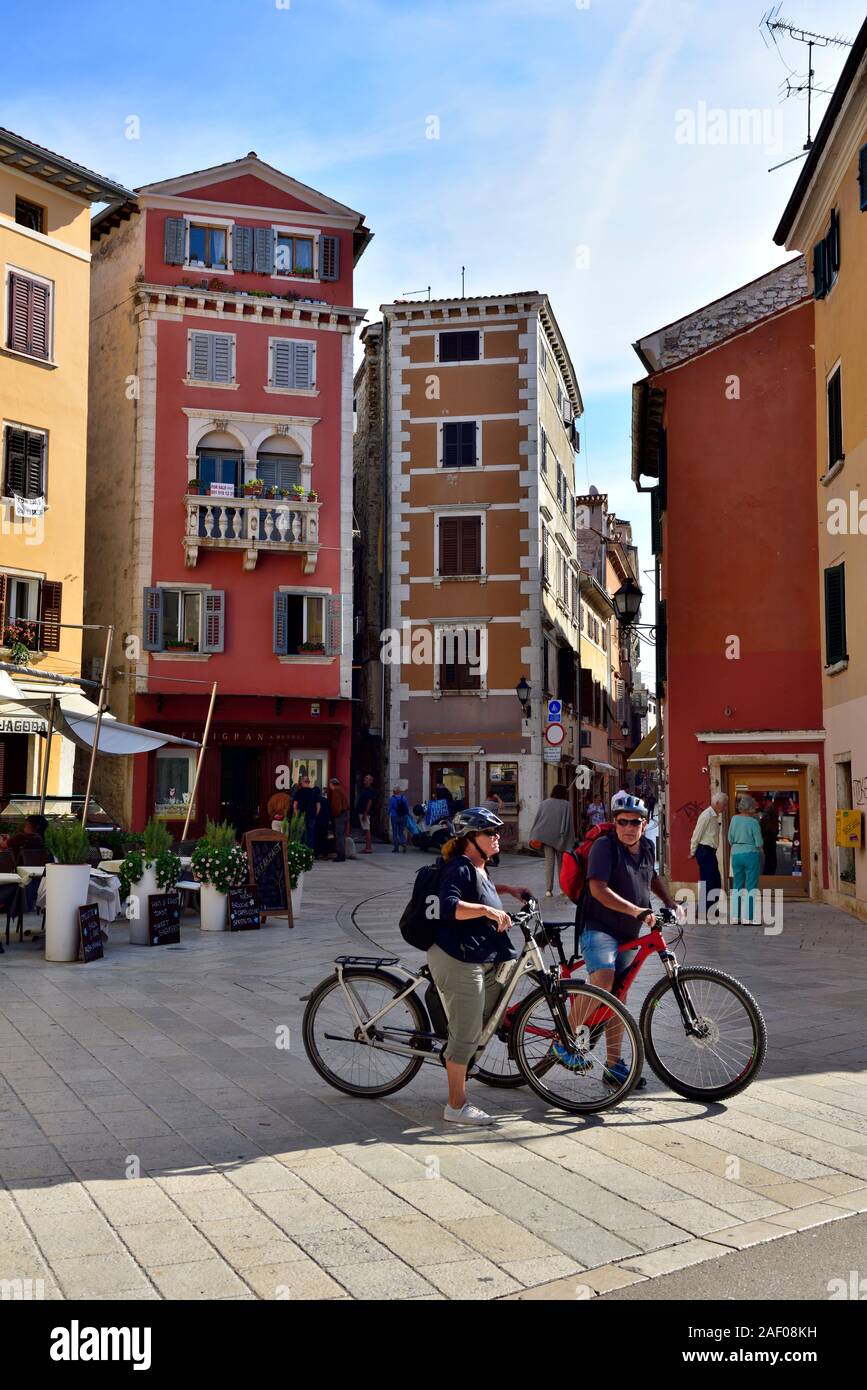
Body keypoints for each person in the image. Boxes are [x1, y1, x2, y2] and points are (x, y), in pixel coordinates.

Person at [562, 794, 681, 1083]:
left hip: (630, 931)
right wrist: (638, 911)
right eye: (622, 822)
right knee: (603, 981)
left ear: (645, 824)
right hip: (600, 926)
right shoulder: (605, 846)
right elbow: (598, 889)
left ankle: (613, 1066)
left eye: (635, 822)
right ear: (614, 823)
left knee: (619, 996)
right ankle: (563, 1042)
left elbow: (650, 876)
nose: (628, 827)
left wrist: (669, 901)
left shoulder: (648, 847)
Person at [428, 808, 532, 1126]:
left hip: (478, 953)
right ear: (470, 839)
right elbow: (449, 907)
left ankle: (460, 1061)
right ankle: (456, 1106)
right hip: (458, 958)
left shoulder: (478, 866)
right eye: (490, 833)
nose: (496, 836)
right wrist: (488, 911)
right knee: (467, 1032)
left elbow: (482, 888)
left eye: (496, 832)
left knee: (484, 1017)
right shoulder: (459, 866)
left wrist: (509, 892)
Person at [528, 785, 575, 898]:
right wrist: (571, 840)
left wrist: (535, 834)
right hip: (561, 838)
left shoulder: (544, 803)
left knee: (549, 864)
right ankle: (562, 888)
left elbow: (539, 820)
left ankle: (548, 890)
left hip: (546, 838)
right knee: (561, 864)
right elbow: (569, 823)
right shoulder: (567, 805)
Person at [689, 793, 728, 917]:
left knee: (715, 881)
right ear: (717, 804)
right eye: (724, 805)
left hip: (710, 851)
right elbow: (697, 833)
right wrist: (692, 851)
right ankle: (702, 911)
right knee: (709, 881)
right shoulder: (707, 815)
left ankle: (710, 908)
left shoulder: (714, 816)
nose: (725, 808)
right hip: (705, 851)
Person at [728, 795, 763, 924]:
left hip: (736, 853)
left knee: (737, 885)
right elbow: (759, 842)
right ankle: (748, 917)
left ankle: (735, 917)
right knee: (751, 886)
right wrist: (760, 848)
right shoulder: (753, 822)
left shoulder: (734, 819)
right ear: (751, 807)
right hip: (750, 854)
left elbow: (730, 838)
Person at [292, 774, 320, 851]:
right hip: (311, 816)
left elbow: (295, 805)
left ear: (302, 782)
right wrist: (315, 814)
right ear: (309, 782)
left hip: (301, 816)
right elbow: (318, 806)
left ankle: (301, 851)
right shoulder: (314, 792)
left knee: (301, 834)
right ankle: (310, 851)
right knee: (311, 834)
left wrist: (296, 815)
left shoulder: (299, 792)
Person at [327, 777, 350, 862]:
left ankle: (340, 856)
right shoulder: (342, 790)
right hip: (345, 814)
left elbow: (337, 806)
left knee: (339, 836)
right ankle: (342, 855)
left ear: (331, 784)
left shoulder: (336, 791)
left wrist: (334, 815)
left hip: (340, 815)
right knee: (342, 835)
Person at [760, 796, 781, 876]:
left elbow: (764, 821)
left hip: (768, 834)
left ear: (767, 800)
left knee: (769, 855)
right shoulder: (774, 807)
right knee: (772, 854)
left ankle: (767, 873)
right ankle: (771, 872)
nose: (762, 803)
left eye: (763, 801)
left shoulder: (768, 808)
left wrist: (761, 829)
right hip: (772, 833)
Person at [355, 774, 375, 854]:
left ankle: (368, 848)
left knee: (367, 830)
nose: (365, 779)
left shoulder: (370, 790)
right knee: (365, 830)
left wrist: (365, 813)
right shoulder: (364, 789)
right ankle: (367, 847)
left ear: (370, 781)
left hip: (365, 813)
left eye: (367, 778)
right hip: (361, 812)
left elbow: (369, 802)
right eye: (365, 778)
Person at [388, 786, 410, 853]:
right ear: (399, 791)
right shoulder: (404, 798)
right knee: (401, 831)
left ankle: (396, 848)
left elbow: (390, 808)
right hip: (403, 816)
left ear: (394, 791)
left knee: (395, 832)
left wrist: (388, 814)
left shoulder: (392, 799)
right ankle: (403, 843)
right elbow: (406, 807)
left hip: (394, 816)